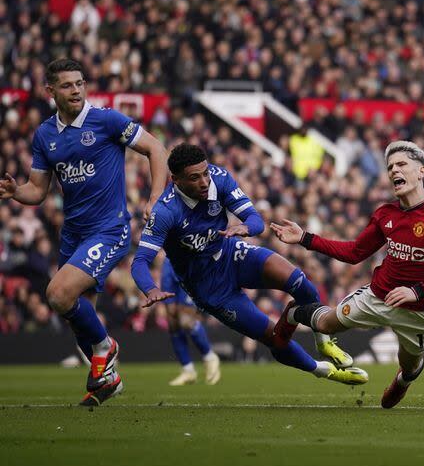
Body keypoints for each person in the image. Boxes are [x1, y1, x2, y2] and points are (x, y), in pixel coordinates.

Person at [0, 58, 168, 406]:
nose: (76, 90)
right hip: (73, 236)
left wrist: (155, 198)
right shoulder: (45, 135)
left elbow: (155, 148)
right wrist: (15, 191)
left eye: (79, 83)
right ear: (51, 91)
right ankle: (107, 380)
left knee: (58, 294)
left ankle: (108, 347)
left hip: (109, 230)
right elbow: (37, 190)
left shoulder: (106, 120)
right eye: (67, 85)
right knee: (80, 326)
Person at [131, 144, 367, 387]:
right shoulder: (165, 212)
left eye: (205, 173)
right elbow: (140, 262)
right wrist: (150, 288)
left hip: (230, 253)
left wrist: (246, 227)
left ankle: (323, 339)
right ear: (176, 180)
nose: (204, 182)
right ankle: (323, 370)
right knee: (274, 339)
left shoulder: (219, 178)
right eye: (195, 177)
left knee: (298, 280)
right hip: (209, 287)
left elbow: (256, 220)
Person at [271, 141, 424, 408]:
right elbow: (355, 252)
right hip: (378, 296)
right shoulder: (385, 214)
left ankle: (403, 381)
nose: (393, 171)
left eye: (401, 164)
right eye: (390, 167)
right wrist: (305, 238)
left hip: (420, 310)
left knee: (410, 365)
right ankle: (294, 312)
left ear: (421, 171)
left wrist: (417, 290)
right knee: (324, 324)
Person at [160, 258, 221, 386]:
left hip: (188, 263)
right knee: (172, 321)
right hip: (168, 263)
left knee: (186, 320)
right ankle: (188, 370)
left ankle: (210, 357)